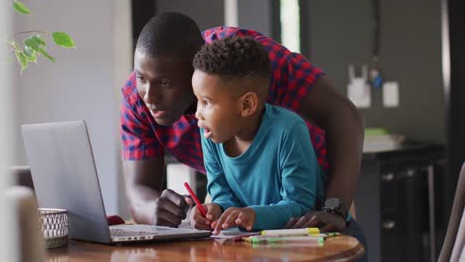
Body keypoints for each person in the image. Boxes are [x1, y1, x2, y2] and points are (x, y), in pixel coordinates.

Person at [120, 12, 364, 232]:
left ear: (193, 72)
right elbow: (138, 190)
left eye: (165, 83)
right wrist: (156, 211)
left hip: (319, 199)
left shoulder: (247, 66)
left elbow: (342, 115)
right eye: (141, 77)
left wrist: (334, 207)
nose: (148, 97)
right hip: (246, 214)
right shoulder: (140, 97)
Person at [188, 36, 325, 233]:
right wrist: (215, 210)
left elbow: (301, 205)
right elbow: (223, 195)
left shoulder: (288, 130)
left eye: (206, 102)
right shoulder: (210, 134)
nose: (197, 113)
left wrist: (253, 214)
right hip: (257, 241)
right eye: (197, 100)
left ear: (246, 105)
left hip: (312, 238)